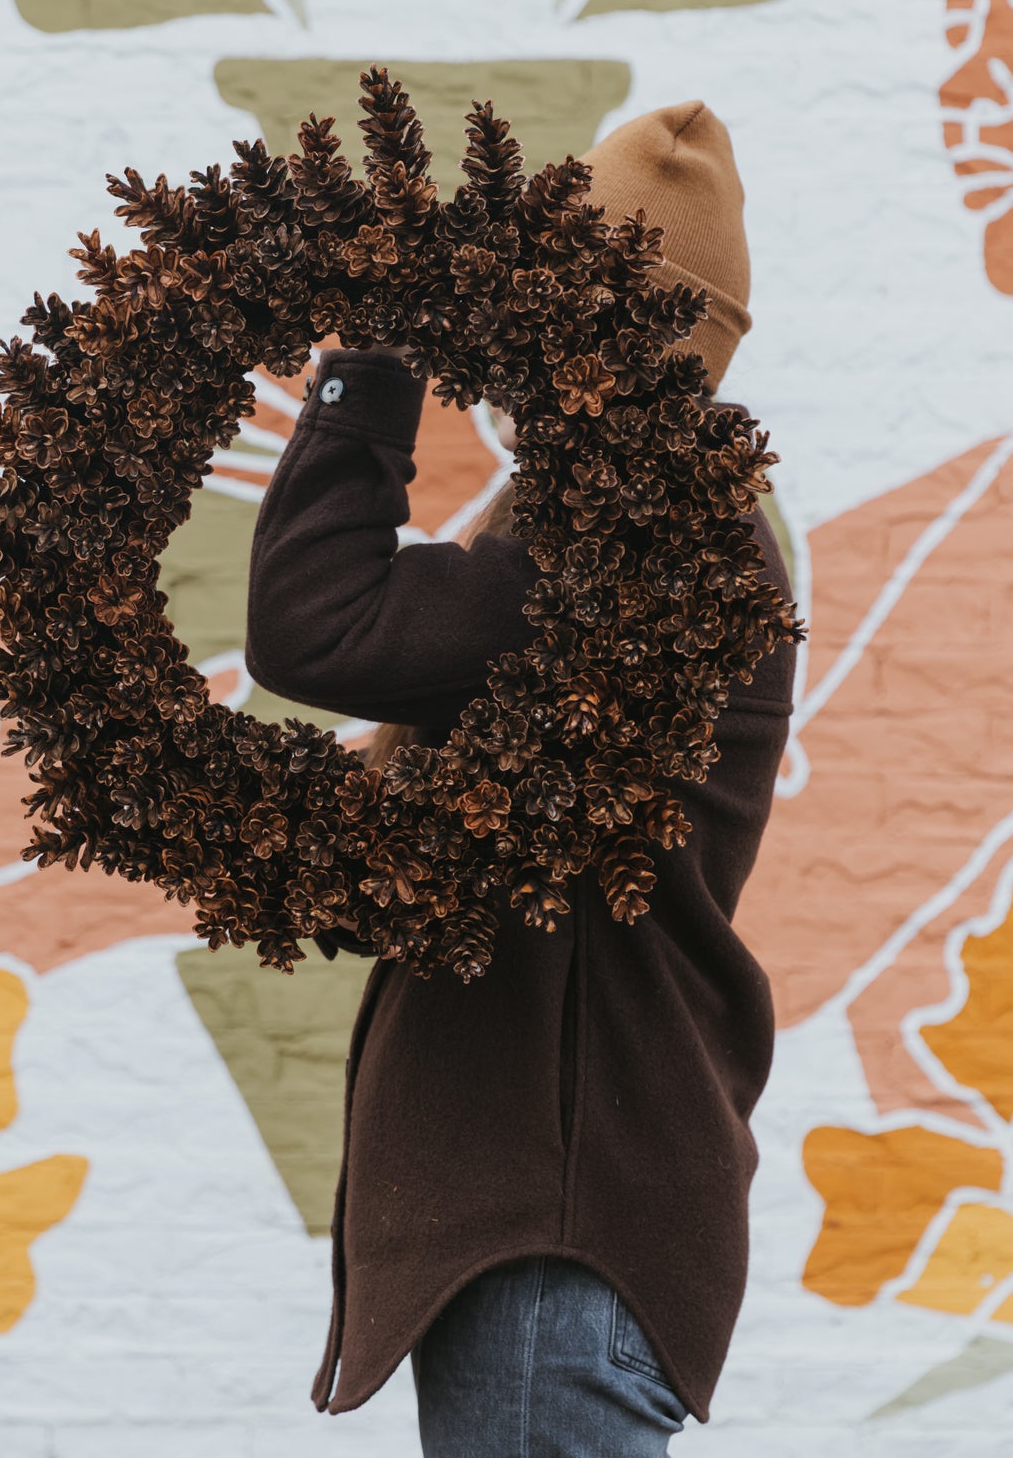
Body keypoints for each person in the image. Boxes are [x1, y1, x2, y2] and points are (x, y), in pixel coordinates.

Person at [244, 101, 796, 1456]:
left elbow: (313, 626)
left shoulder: (644, 535)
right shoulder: (610, 531)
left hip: (554, 1245)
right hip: (554, 1234)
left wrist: (371, 358)